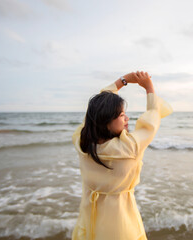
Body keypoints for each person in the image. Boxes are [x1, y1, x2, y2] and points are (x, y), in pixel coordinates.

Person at [71, 71, 173, 240]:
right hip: (120, 221)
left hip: (89, 216)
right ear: (106, 121)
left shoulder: (82, 142)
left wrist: (122, 81)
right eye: (121, 115)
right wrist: (148, 87)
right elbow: (151, 121)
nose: (127, 118)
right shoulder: (128, 148)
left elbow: (93, 112)